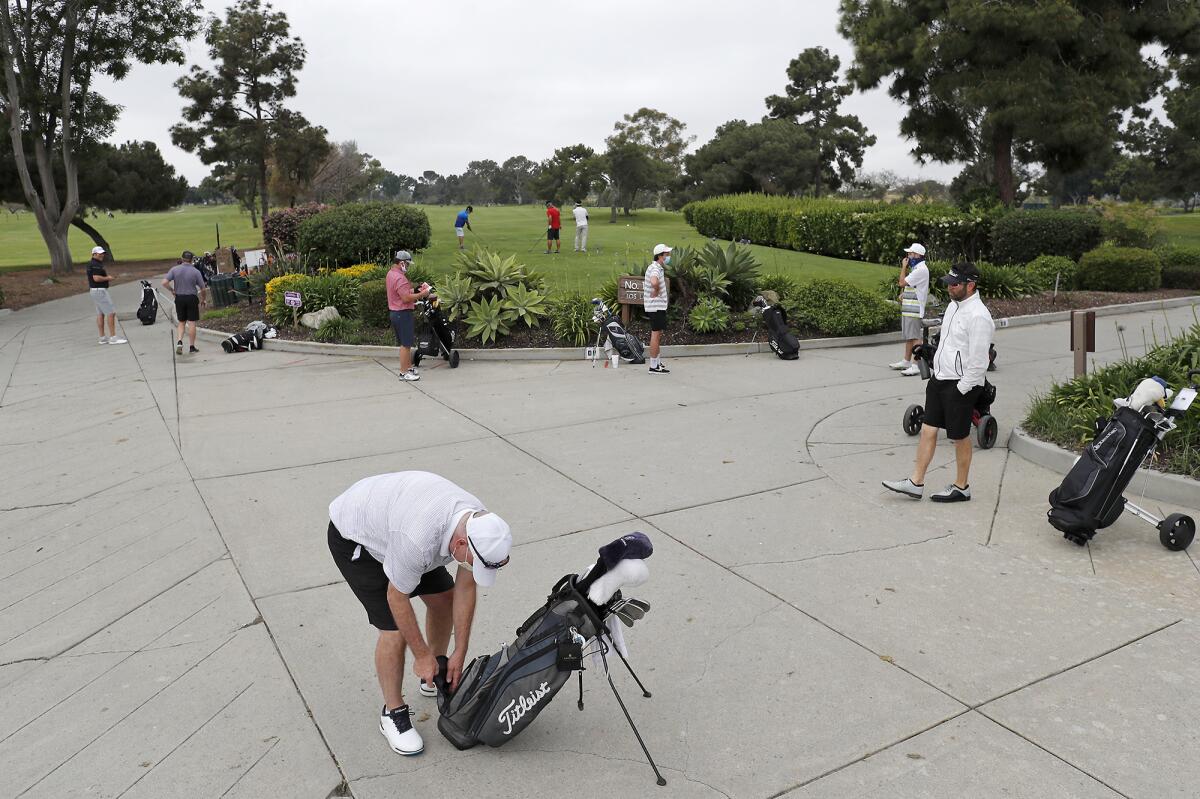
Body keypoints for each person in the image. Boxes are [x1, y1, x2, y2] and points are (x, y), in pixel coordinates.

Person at [327, 470, 513, 757]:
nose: (474, 569)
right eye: (475, 563)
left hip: (400, 523)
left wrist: (458, 652)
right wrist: (421, 654)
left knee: (443, 599)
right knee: (394, 632)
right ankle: (392, 713)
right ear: (461, 544)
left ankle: (433, 673)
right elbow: (396, 597)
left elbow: (464, 591)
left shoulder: (477, 524)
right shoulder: (417, 541)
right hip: (356, 537)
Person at [883, 262, 996, 503]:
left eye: (954, 284)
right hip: (940, 379)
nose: (949, 288)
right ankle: (916, 482)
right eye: (948, 283)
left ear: (970, 285)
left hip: (961, 385)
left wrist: (961, 389)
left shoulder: (979, 316)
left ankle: (961, 487)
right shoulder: (955, 307)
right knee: (928, 429)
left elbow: (979, 362)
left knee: (959, 436)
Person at [387, 250, 431, 382]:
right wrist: (423, 294)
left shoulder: (391, 274)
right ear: (401, 263)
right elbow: (406, 298)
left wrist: (417, 289)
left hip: (395, 313)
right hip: (403, 313)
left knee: (404, 343)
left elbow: (402, 292)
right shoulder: (400, 278)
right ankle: (403, 372)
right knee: (406, 345)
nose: (408, 266)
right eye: (407, 264)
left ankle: (408, 367)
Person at [890, 243, 930, 376]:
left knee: (915, 337)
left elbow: (901, 282)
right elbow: (913, 286)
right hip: (909, 308)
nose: (908, 256)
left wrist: (903, 267)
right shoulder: (917, 269)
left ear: (918, 255)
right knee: (909, 336)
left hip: (914, 309)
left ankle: (916, 364)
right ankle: (906, 361)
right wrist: (904, 294)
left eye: (910, 254)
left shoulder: (920, 270)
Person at [162, 251, 206, 355]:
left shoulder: (174, 270)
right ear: (192, 260)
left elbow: (164, 282)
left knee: (181, 322)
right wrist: (203, 299)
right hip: (191, 298)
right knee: (191, 322)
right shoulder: (196, 272)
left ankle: (179, 342)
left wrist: (172, 290)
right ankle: (192, 346)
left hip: (179, 298)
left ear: (182, 259)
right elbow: (203, 288)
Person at [86, 246, 127, 345]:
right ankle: (113, 337)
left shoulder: (93, 263)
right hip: (99, 291)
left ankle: (102, 337)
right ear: (94, 254)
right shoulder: (95, 264)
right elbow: (96, 278)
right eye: (99, 254)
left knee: (100, 314)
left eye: (102, 253)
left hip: (95, 291)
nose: (101, 255)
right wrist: (108, 278)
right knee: (111, 313)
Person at [644, 243, 671, 374]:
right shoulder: (655, 268)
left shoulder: (657, 267)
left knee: (657, 335)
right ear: (660, 256)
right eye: (666, 254)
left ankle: (657, 363)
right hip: (655, 307)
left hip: (657, 307)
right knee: (655, 335)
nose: (668, 256)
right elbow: (654, 281)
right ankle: (653, 366)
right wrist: (656, 289)